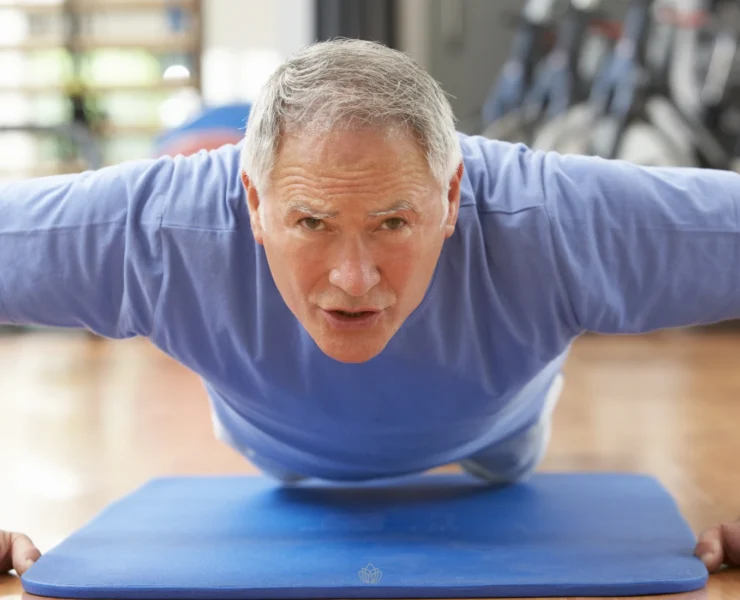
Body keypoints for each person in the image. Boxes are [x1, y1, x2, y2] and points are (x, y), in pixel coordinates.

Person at [0, 38, 738, 577]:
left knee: (506, 450)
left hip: (500, 426)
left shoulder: (553, 219)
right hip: (277, 444)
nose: (354, 279)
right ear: (254, 203)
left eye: (393, 222)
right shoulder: (156, 231)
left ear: (452, 197)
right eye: (311, 223)